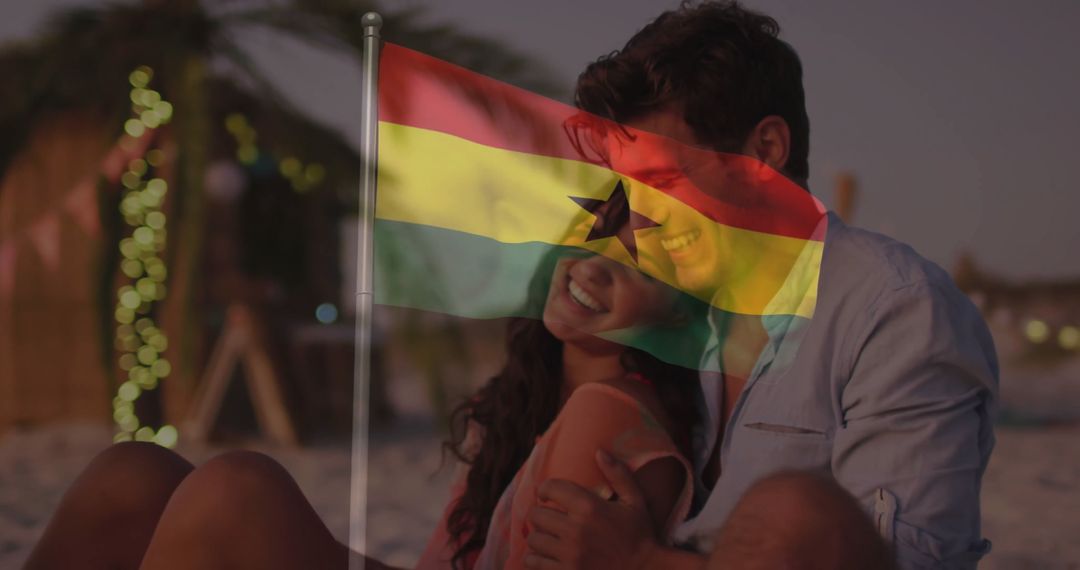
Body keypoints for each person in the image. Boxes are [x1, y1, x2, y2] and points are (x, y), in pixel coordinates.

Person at [521, 2, 997, 570]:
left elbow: (908, 563)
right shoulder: (693, 305)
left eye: (664, 180)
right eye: (630, 187)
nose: (641, 219)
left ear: (766, 151)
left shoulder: (897, 312)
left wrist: (640, 561)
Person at [24, 212, 708, 569]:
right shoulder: (530, 397)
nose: (597, 268)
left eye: (641, 266)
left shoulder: (611, 413)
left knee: (238, 491)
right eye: (601, 238)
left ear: (678, 317)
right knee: (133, 473)